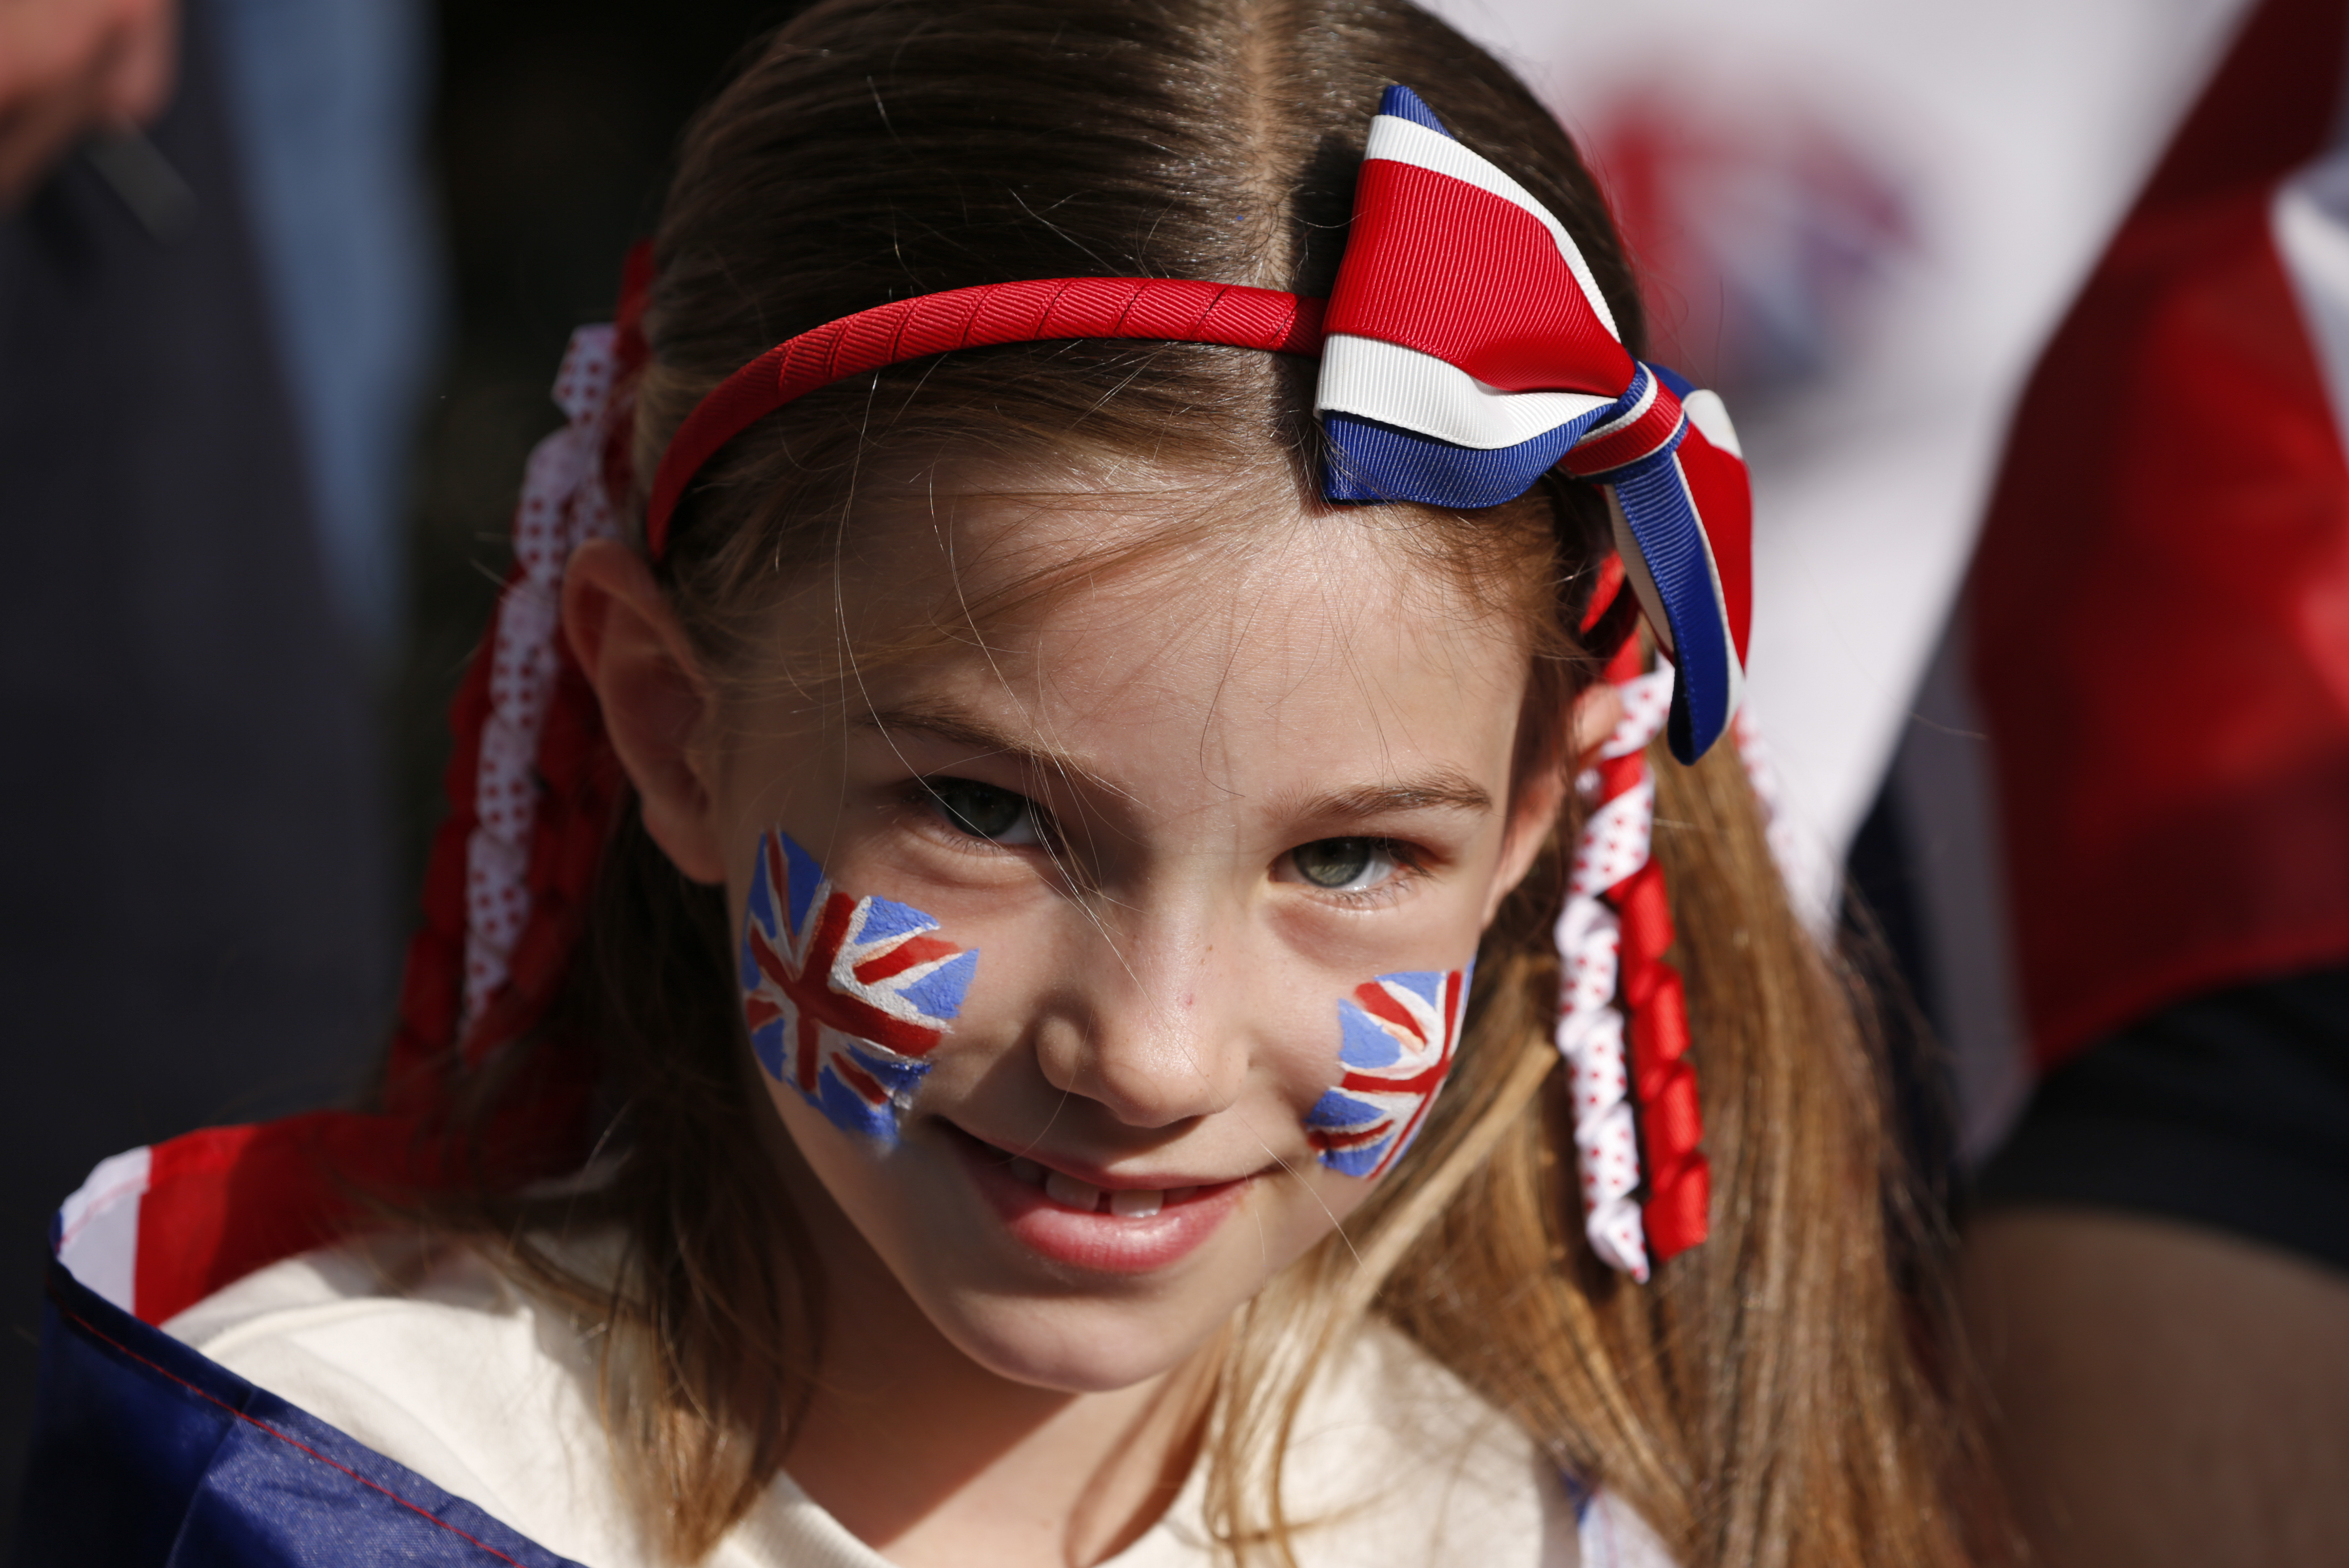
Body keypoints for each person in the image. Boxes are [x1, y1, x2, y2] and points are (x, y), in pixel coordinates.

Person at [14, 3, 1980, 1565]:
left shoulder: (1536, 1532)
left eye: (1348, 856)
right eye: (986, 813)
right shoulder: (340, 1487)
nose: (1150, 1052)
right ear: (675, 725)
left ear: (1532, 825)